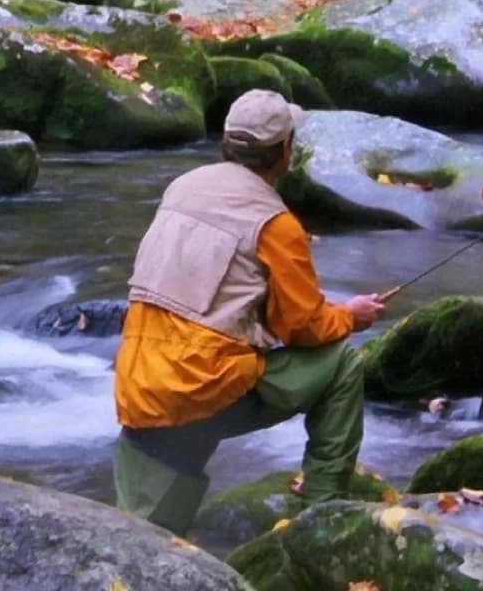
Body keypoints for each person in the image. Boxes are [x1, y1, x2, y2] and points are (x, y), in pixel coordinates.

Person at [113, 88, 388, 535]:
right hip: (202, 388)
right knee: (341, 364)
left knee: (144, 539)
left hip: (138, 383)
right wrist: (350, 317)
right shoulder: (276, 224)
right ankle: (323, 516)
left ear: (226, 142)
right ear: (284, 151)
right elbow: (302, 328)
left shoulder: (181, 188)